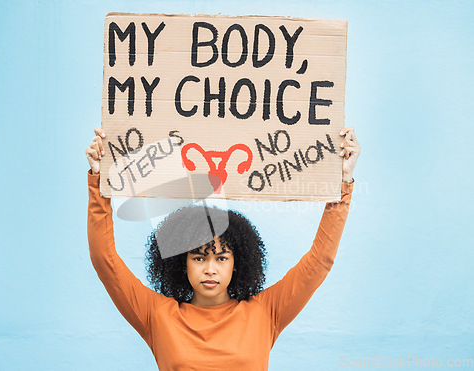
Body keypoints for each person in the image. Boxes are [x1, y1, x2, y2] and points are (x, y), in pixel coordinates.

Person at [86, 127, 360, 370]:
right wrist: (98, 179)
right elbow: (104, 261)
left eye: (221, 257)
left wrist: (344, 182)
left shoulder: (263, 313)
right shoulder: (158, 316)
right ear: (183, 262)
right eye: (198, 257)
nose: (210, 269)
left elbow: (319, 261)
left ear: (236, 263)